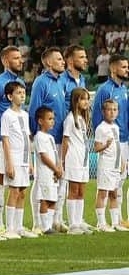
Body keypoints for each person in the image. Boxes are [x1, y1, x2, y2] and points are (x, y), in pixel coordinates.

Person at [27, 47, 68, 233]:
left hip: (57, 136)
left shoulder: (61, 83)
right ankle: (38, 222)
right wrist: (35, 134)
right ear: (49, 62)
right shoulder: (41, 82)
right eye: (59, 59)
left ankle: (53, 221)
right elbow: (35, 108)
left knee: (56, 180)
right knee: (40, 180)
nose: (63, 62)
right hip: (43, 137)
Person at [91, 53, 129, 231]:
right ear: (113, 68)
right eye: (123, 67)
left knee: (119, 181)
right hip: (112, 141)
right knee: (109, 184)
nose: (127, 70)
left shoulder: (124, 89)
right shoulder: (105, 90)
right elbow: (98, 116)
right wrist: (102, 137)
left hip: (124, 139)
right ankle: (105, 221)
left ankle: (118, 220)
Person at [0, 82, 33, 239]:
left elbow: (27, 138)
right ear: (10, 96)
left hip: (25, 158)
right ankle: (9, 227)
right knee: (13, 191)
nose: (22, 95)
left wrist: (31, 162)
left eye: (23, 92)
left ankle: (19, 226)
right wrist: (9, 162)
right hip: (14, 158)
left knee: (22, 192)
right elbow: (5, 140)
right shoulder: (7, 115)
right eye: (18, 93)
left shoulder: (25, 115)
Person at [61, 87, 92, 235]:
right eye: (83, 99)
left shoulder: (82, 119)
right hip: (73, 158)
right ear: (76, 101)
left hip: (83, 159)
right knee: (73, 190)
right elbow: (66, 140)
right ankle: (73, 224)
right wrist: (63, 161)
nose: (86, 102)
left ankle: (79, 221)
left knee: (81, 191)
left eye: (87, 99)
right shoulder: (70, 119)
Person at [94, 99, 123, 232]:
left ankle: (115, 222)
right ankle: (101, 223)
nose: (112, 112)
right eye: (109, 109)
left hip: (115, 166)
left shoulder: (116, 127)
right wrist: (106, 145)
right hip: (106, 165)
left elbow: (118, 146)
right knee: (103, 193)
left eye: (115, 110)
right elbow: (96, 147)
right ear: (104, 112)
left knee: (114, 193)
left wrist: (122, 161)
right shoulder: (101, 128)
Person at [33, 107, 62, 234]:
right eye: (49, 119)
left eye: (53, 119)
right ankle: (44, 227)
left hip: (53, 173)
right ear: (40, 121)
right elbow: (44, 156)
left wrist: (58, 168)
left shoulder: (50, 137)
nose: (52, 122)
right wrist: (55, 168)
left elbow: (54, 155)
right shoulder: (39, 137)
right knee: (45, 199)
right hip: (45, 173)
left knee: (52, 199)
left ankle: (49, 225)